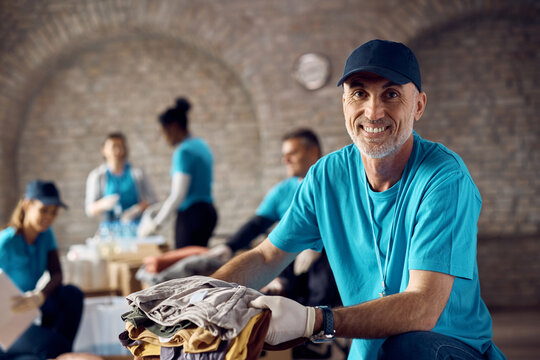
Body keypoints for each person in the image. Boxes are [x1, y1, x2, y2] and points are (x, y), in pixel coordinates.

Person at [212, 39, 506, 359]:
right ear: (344, 104)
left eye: (391, 94)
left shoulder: (444, 178)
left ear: (419, 105)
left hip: (445, 347)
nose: (373, 111)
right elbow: (268, 257)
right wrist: (199, 295)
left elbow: (423, 307)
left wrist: (313, 320)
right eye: (359, 93)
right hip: (370, 348)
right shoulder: (327, 175)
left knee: (406, 347)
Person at [209, 128, 339, 306]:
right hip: (292, 259)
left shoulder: (335, 183)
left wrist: (318, 246)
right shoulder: (282, 191)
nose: (285, 160)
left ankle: (321, 320)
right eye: (284, 155)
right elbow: (257, 224)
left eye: (292, 153)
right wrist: (229, 246)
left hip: (327, 259)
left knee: (323, 271)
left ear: (313, 151)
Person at [0, 180, 84, 358]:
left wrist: (40, 296)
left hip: (27, 312)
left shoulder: (45, 235)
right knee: (57, 346)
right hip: (5, 324)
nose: (49, 217)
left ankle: (52, 350)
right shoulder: (6, 242)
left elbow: (57, 274)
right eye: (43, 210)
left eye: (54, 213)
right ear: (27, 205)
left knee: (72, 294)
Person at [138, 98, 218, 249]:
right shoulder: (201, 145)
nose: (164, 138)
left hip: (192, 216)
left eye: (164, 132)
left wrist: (156, 225)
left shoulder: (183, 151)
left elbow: (178, 195)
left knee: (185, 267)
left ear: (173, 127)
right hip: (208, 212)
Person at [85, 132, 156, 227]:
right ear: (104, 150)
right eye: (113, 147)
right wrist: (103, 204)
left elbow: (153, 201)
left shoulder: (138, 173)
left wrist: (137, 209)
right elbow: (90, 209)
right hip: (109, 229)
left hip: (137, 227)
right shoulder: (97, 176)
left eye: (121, 147)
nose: (117, 151)